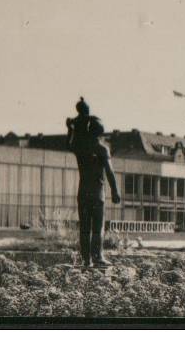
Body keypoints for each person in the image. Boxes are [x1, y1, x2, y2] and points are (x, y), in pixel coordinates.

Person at [66, 97, 121, 268]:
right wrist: (115, 191)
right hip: (97, 192)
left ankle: (86, 259)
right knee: (97, 227)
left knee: (84, 229)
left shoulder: (80, 146)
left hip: (83, 192)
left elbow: (70, 144)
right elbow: (110, 172)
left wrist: (70, 130)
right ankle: (97, 257)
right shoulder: (102, 148)